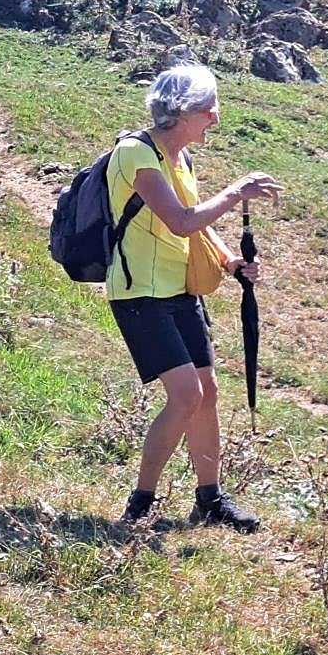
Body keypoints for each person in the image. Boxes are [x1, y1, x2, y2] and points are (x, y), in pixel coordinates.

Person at [112, 66, 281, 531]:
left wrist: (230, 262)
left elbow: (198, 224)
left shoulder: (181, 156)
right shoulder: (135, 155)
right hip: (139, 294)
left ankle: (209, 499)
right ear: (185, 113)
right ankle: (140, 503)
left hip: (179, 290)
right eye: (210, 111)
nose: (216, 118)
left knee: (207, 394)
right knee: (186, 395)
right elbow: (181, 220)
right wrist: (235, 191)